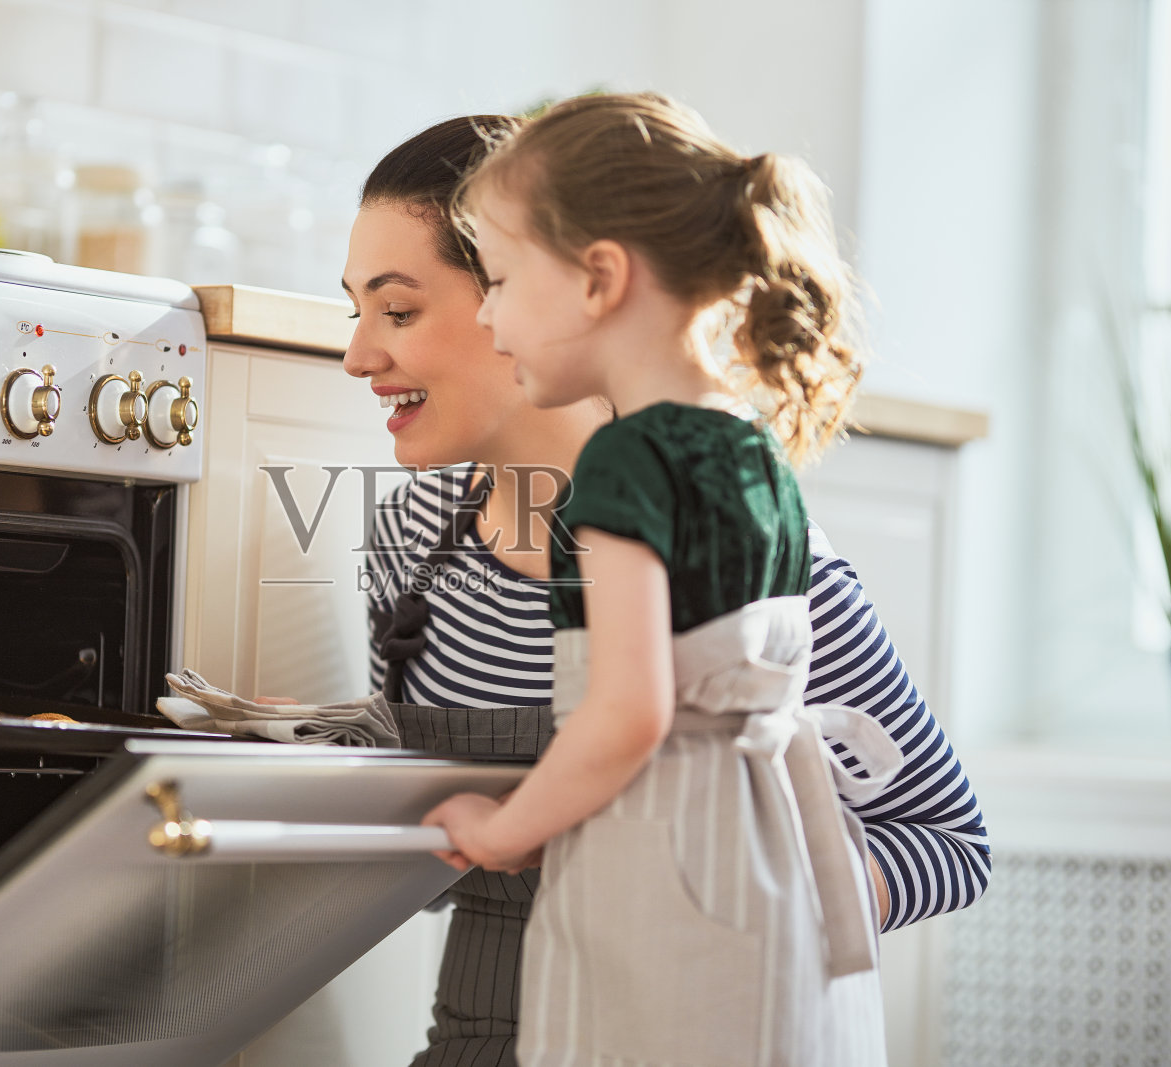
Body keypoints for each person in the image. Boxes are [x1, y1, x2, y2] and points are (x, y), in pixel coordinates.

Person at [344, 112, 990, 1067]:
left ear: (583, 284)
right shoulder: (413, 542)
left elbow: (949, 839)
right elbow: (446, 865)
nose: (358, 354)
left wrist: (754, 904)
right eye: (351, 312)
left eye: (399, 311)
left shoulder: (678, 501)